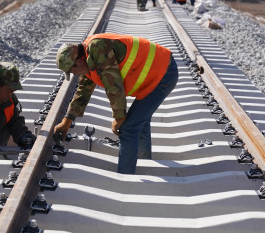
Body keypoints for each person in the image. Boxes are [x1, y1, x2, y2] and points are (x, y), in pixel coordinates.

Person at [54, 33, 179, 174]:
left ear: (79, 61)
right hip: (160, 70)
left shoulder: (98, 48)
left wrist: (119, 118)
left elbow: (113, 85)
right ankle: (145, 163)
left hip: (163, 74)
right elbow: (83, 91)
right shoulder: (89, 58)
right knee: (139, 122)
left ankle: (126, 178)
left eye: (72, 70)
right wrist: (67, 120)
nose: (75, 74)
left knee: (128, 129)